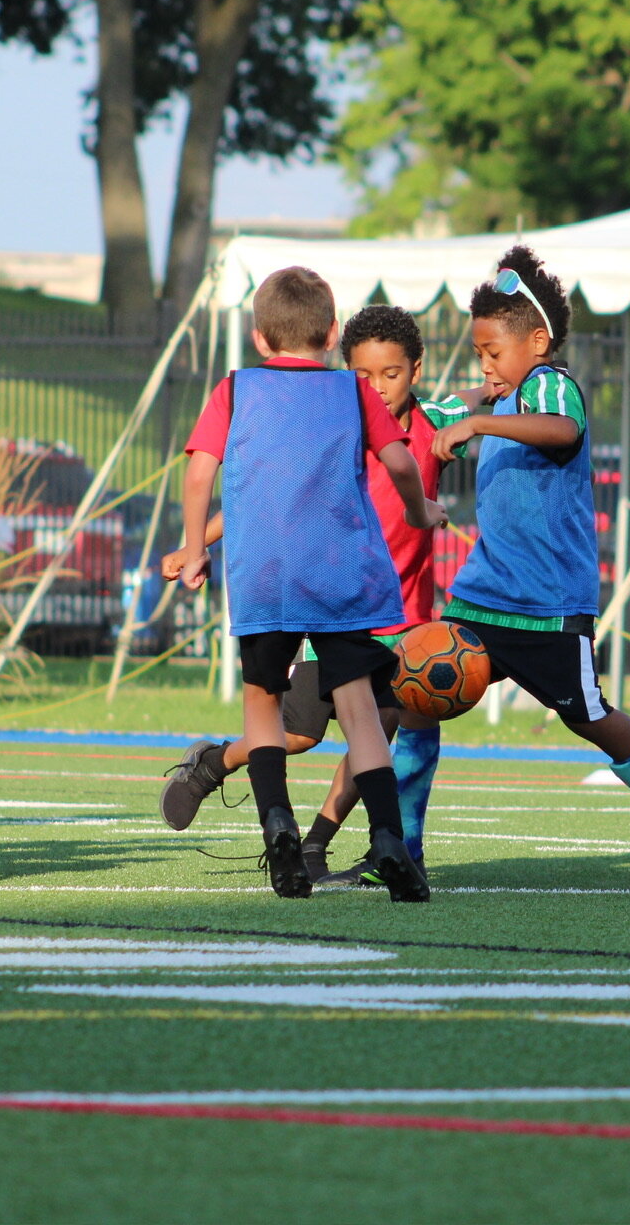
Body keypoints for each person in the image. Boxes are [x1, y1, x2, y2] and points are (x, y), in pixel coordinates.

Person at [428, 246, 630, 885]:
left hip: (547, 602)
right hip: (482, 594)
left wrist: (478, 421)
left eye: (493, 353)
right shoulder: (489, 397)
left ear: (537, 341)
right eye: (478, 354)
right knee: (416, 697)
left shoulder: (550, 385)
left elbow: (562, 430)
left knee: (587, 715)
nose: (485, 366)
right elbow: (428, 418)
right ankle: (395, 847)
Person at [156, 305, 473, 886]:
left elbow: (210, 474)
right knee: (328, 725)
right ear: (333, 339)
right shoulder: (351, 398)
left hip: (315, 592)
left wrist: (492, 403)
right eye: (369, 371)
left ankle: (298, 834)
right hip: (347, 586)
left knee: (305, 708)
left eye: (392, 373)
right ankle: (374, 833)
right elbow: (385, 465)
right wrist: (419, 509)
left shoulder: (243, 388)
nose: (380, 383)